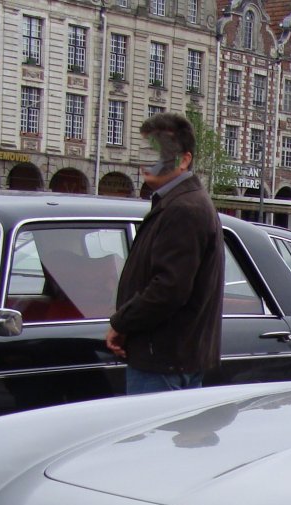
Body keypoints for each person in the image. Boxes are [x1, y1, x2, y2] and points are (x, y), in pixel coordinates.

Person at [106, 112, 223, 393]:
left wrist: (121, 323)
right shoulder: (179, 202)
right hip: (171, 356)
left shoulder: (183, 208)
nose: (146, 161)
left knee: (153, 436)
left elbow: (169, 289)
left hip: (163, 359)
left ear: (184, 159)